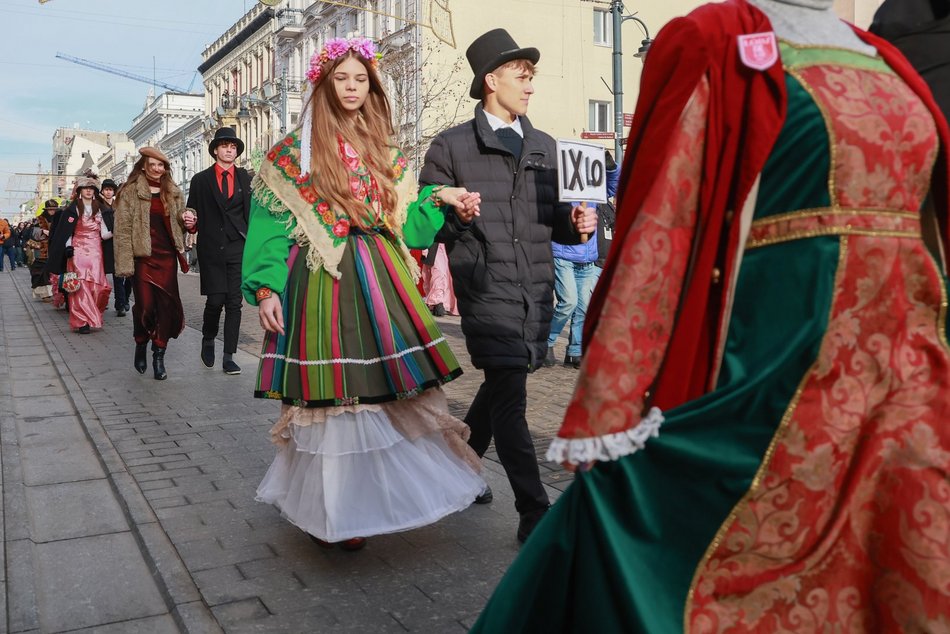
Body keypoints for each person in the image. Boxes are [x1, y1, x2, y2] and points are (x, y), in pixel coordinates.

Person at [471, 0, 950, 631]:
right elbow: (664, 225)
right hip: (778, 367)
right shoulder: (712, 41)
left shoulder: (887, 56)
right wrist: (616, 393)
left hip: (911, 373)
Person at [241, 37, 487, 551]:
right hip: (322, 278)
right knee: (333, 398)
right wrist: (266, 288)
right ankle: (331, 509)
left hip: (381, 277)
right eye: (342, 79)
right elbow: (270, 226)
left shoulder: (385, 150)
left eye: (360, 80)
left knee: (379, 394)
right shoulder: (294, 153)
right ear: (323, 86)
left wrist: (440, 200)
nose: (352, 88)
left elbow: (409, 231)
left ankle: (367, 500)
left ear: (372, 87)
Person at [419, 28, 597, 543]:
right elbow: (429, 219)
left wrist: (576, 224)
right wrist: (454, 210)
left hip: (535, 287)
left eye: (531, 78)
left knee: (501, 388)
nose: (530, 86)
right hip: (488, 285)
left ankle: (456, 469)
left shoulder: (543, 145)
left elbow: (555, 219)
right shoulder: (451, 144)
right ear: (490, 79)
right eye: (522, 76)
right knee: (511, 394)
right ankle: (534, 510)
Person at [114, 147, 187, 381]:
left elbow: (181, 221)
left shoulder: (173, 191)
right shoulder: (130, 191)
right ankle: (141, 341)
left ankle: (159, 353)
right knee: (145, 306)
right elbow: (122, 229)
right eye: (153, 164)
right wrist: (124, 263)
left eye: (161, 165)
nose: (157, 169)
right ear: (143, 165)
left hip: (166, 258)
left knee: (166, 306)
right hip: (143, 257)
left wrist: (189, 218)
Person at [184, 127, 251, 376]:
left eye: (233, 147)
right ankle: (208, 337)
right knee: (215, 301)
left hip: (238, 246)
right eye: (224, 146)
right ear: (215, 150)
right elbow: (191, 212)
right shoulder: (201, 180)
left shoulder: (246, 178)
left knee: (234, 303)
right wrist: (189, 220)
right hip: (211, 247)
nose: (229, 150)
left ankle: (229, 356)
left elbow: (252, 212)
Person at [544, 153, 620, 369]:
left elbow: (614, 184)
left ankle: (575, 350)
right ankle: (546, 342)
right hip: (564, 255)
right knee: (568, 302)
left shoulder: (594, 191)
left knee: (584, 306)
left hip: (587, 258)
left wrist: (611, 167)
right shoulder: (563, 189)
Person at [47, 176, 114, 333]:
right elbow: (67, 231)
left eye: (92, 188)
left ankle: (92, 314)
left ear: (95, 191)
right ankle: (81, 320)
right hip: (77, 250)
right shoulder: (72, 209)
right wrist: (68, 246)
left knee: (98, 286)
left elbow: (104, 234)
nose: (89, 190)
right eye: (85, 188)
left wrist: (117, 230)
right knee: (79, 285)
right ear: (80, 191)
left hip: (96, 251)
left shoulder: (101, 209)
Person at [100, 178, 132, 317]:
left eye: (111, 190)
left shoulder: (118, 204)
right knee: (112, 275)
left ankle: (123, 301)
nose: (108, 192)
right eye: (106, 189)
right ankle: (118, 303)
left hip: (122, 243)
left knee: (126, 275)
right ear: (102, 191)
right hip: (105, 245)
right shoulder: (98, 206)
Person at [30, 200, 58, 301]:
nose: (52, 212)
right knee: (41, 270)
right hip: (43, 248)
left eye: (54, 209)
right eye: (50, 210)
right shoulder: (39, 219)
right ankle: (44, 294)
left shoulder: (59, 219)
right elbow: (34, 233)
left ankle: (54, 292)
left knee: (54, 270)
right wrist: (42, 231)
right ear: (46, 210)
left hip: (55, 247)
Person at [421, 243, 457, 316]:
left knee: (446, 274)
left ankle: (441, 303)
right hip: (434, 245)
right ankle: (437, 302)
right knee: (438, 273)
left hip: (448, 245)